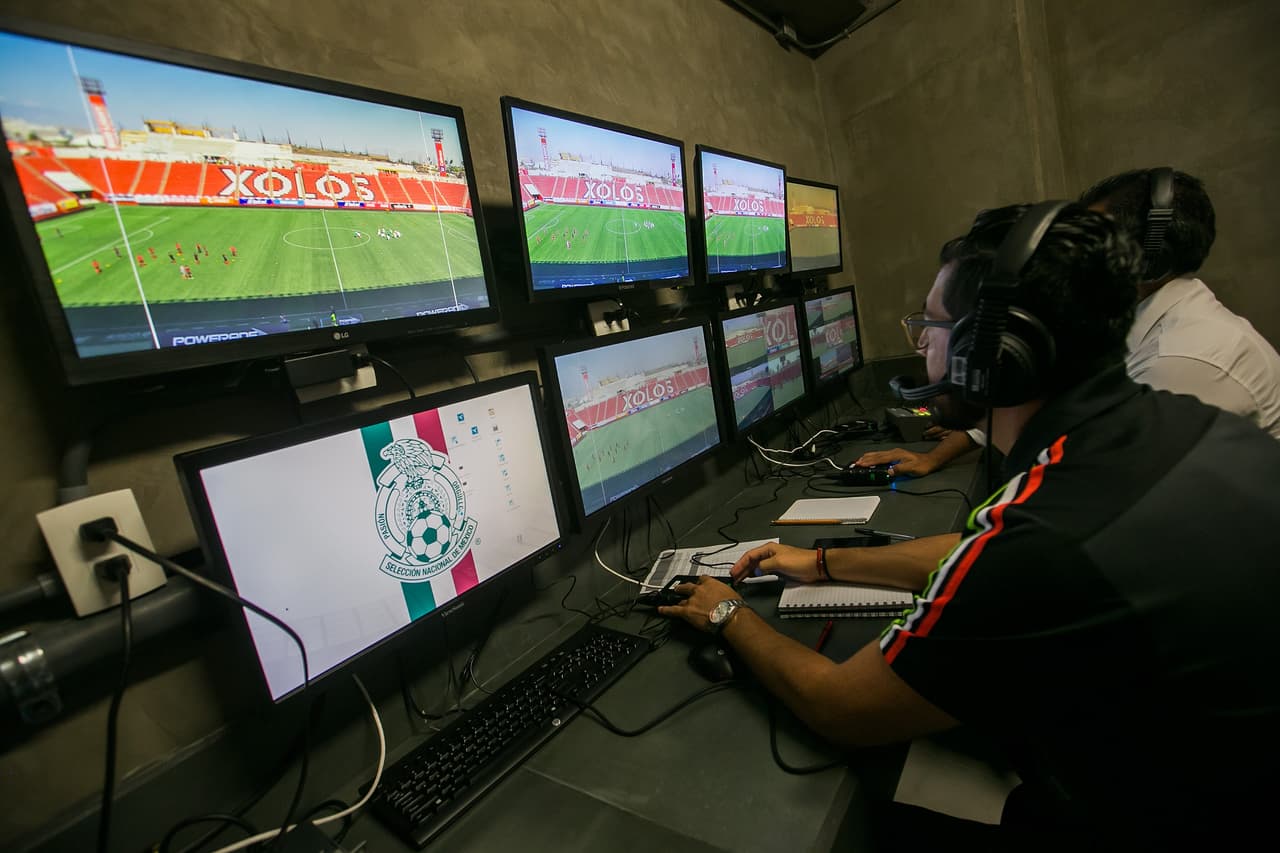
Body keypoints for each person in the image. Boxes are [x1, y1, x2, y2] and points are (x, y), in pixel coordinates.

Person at [660, 203, 1280, 847]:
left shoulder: (1047, 535)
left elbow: (840, 708)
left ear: (1001, 349)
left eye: (932, 324)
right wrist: (817, 561)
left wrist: (729, 615)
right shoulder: (1179, 426)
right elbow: (977, 553)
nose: (921, 342)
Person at [857, 167, 1280, 476]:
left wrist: (824, 560)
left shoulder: (1182, 361)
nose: (1072, 252)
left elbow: (1096, 505)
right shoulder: (1143, 326)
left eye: (1094, 237)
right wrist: (938, 454)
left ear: (1149, 257)